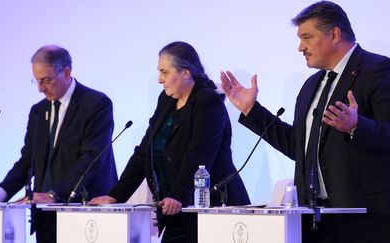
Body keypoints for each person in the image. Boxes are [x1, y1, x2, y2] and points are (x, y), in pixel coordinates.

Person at [221, 1, 390, 242]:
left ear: (334, 34)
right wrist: (252, 110)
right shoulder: (311, 85)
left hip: (365, 218)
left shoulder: (378, 70)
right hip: (314, 219)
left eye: (307, 37)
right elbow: (298, 148)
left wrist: (356, 126)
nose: (300, 47)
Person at [89, 41, 250, 243]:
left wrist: (178, 195)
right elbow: (144, 152)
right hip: (176, 211)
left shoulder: (208, 101)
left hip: (210, 210)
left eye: (164, 72)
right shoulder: (166, 101)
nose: (159, 79)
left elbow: (199, 155)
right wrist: (115, 196)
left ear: (185, 72)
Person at [0, 45, 118, 243]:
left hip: (86, 214)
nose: (40, 88)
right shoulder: (38, 111)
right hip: (45, 218)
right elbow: (27, 161)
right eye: (36, 80)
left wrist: (54, 194)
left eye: (46, 81)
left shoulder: (96, 104)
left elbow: (91, 159)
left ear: (66, 72)